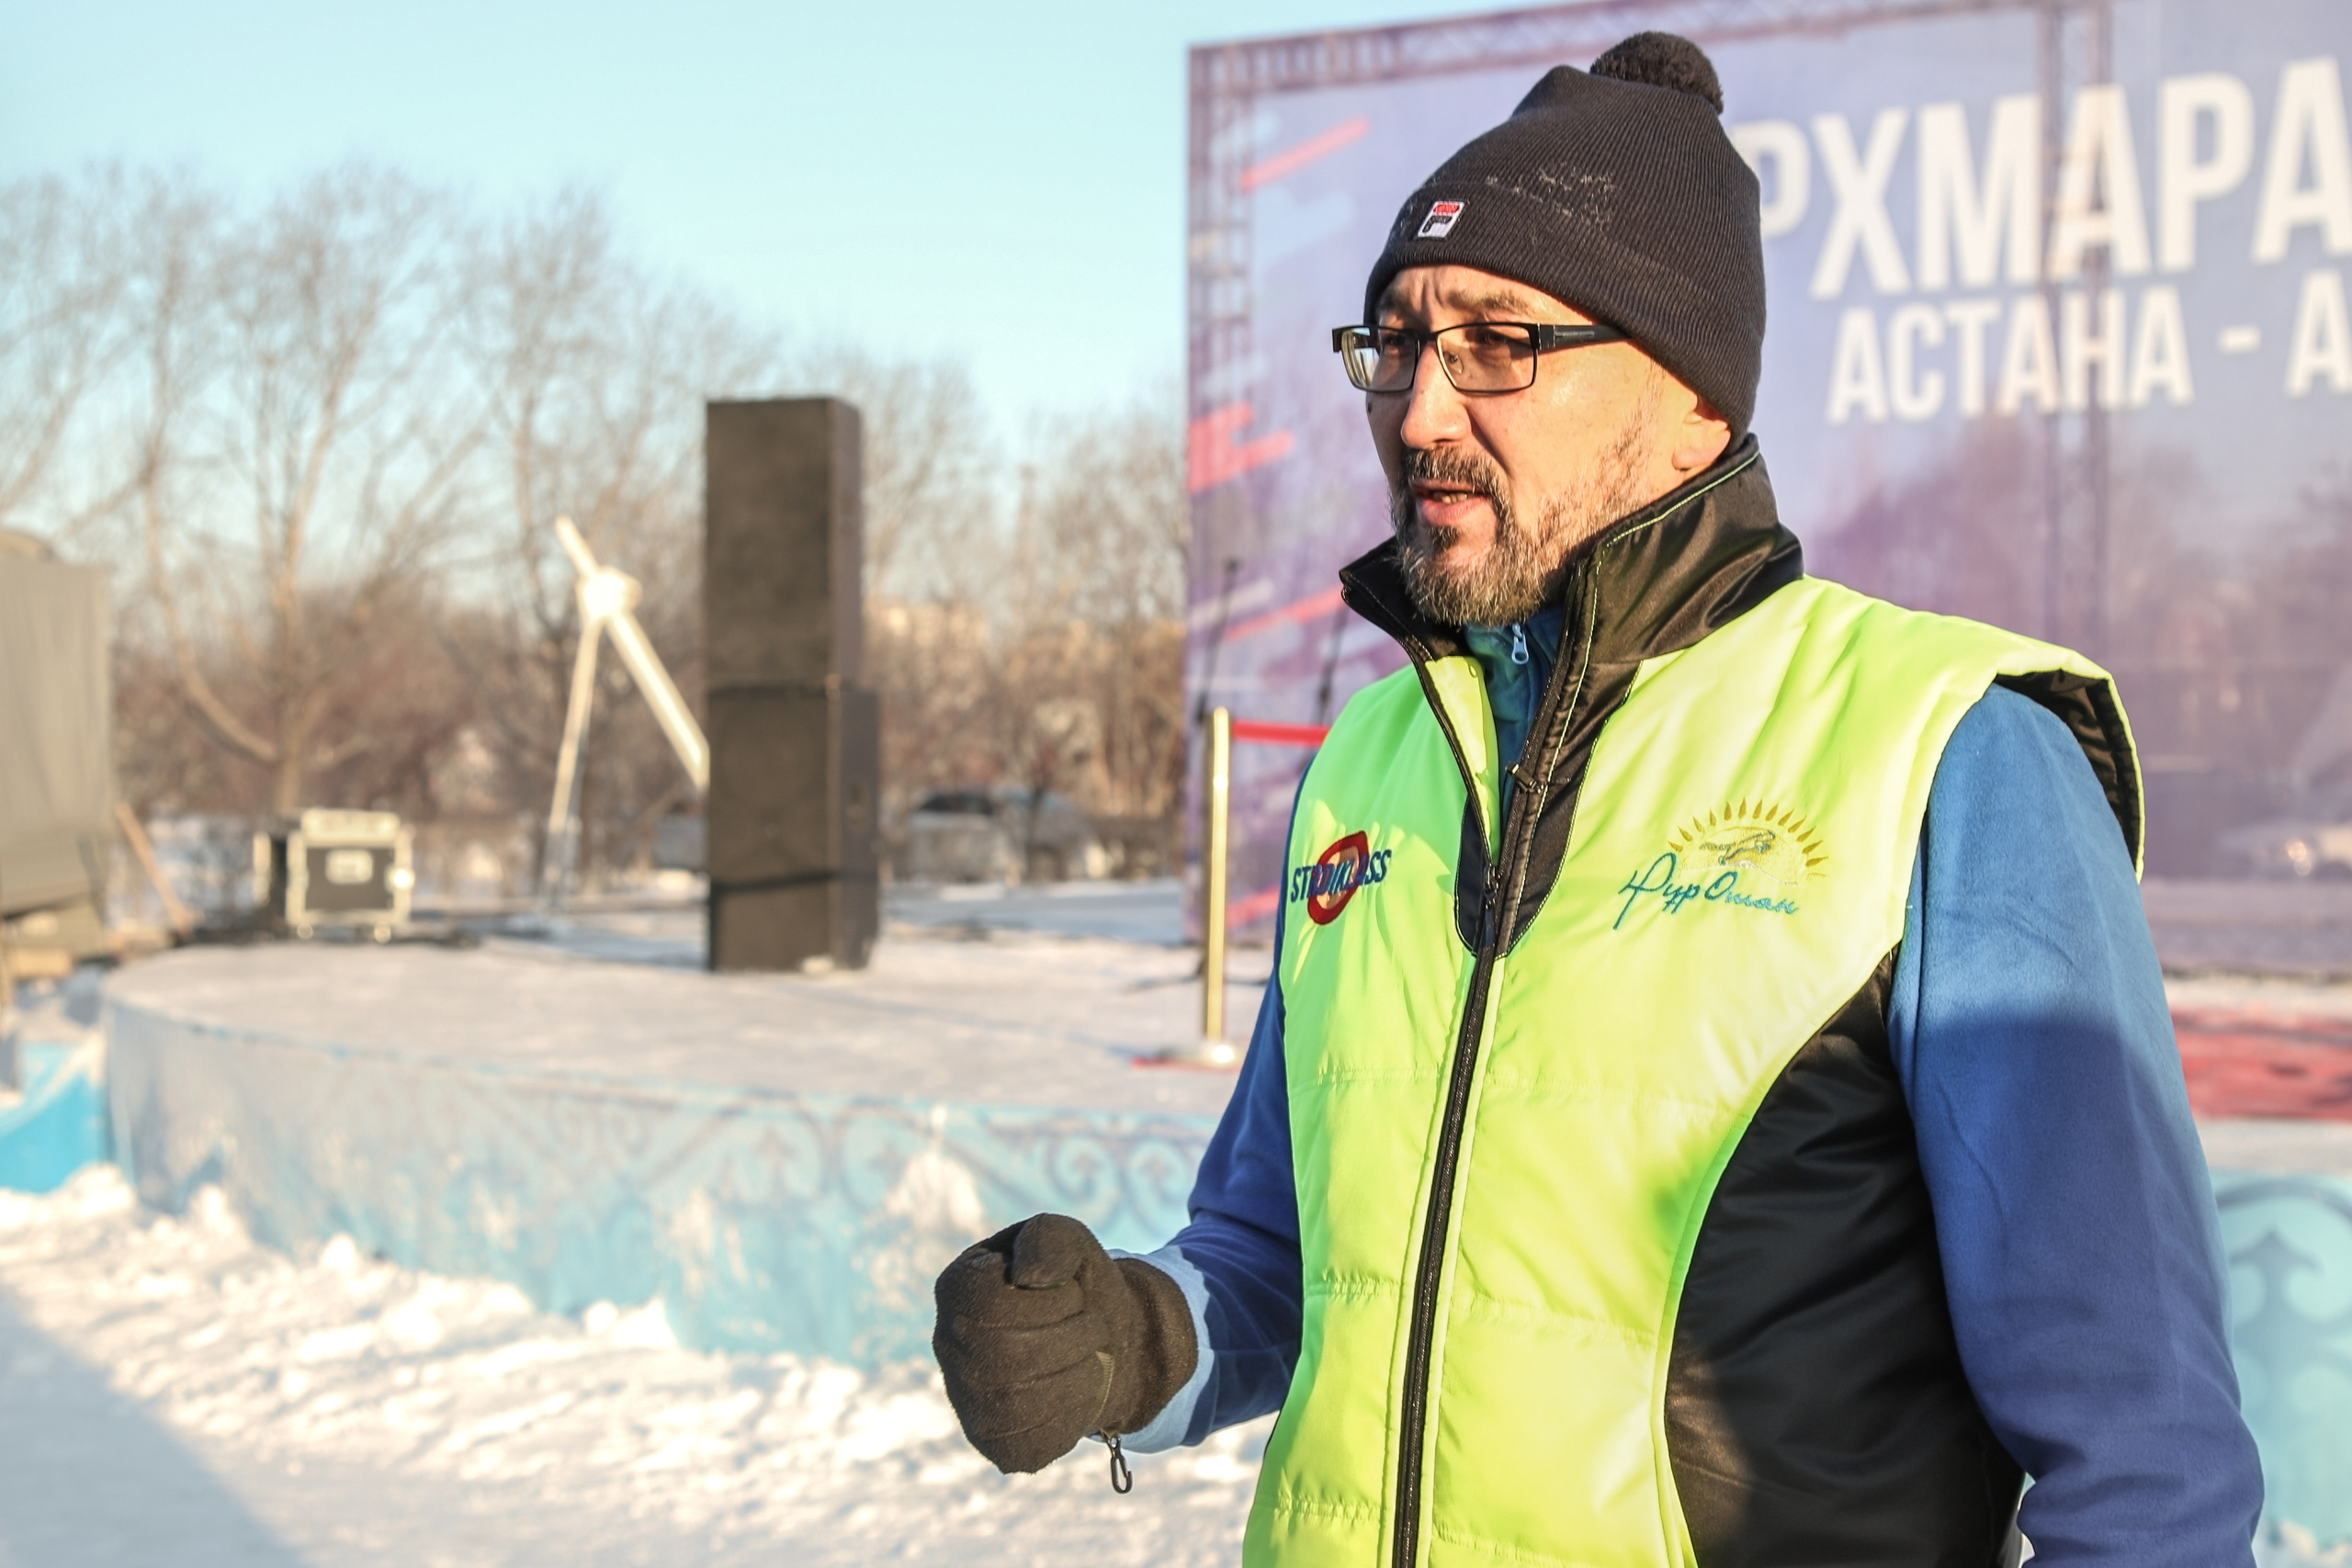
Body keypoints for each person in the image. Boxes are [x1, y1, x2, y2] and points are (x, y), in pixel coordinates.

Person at [931, 31, 2264, 1568]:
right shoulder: (1371, 765)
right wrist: (1132, 1343)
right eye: (1396, 341)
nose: (1421, 411)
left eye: (1498, 342)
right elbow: (1288, 1262)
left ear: (1685, 385)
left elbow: (2143, 1456)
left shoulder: (1948, 752)